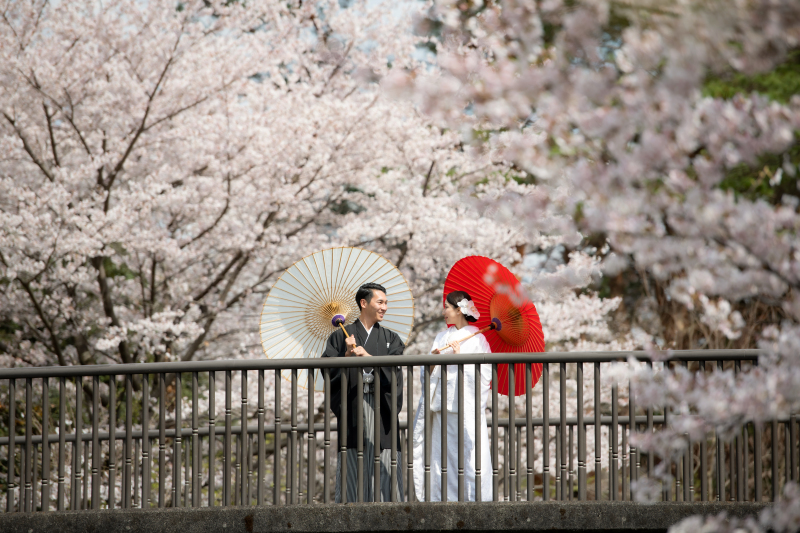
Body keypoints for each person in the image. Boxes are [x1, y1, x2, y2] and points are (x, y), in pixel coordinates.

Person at [322, 282, 405, 502]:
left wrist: (369, 358)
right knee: (353, 465)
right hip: (353, 405)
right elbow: (329, 372)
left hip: (382, 408)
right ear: (363, 303)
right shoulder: (340, 337)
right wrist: (347, 356)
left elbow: (396, 371)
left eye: (386, 303)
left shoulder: (391, 338)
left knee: (386, 466)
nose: (385, 307)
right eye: (380, 302)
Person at [411, 290, 493, 501]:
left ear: (459, 310)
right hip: (441, 407)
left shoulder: (478, 339)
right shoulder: (441, 337)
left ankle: (471, 500)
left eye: (447, 307)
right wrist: (432, 363)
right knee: (440, 458)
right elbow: (426, 373)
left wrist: (460, 358)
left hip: (464, 407)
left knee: (469, 457)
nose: (444, 311)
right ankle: (441, 501)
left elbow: (483, 377)